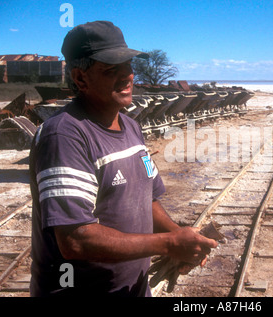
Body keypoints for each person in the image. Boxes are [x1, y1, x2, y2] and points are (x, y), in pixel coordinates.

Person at [29, 20, 217, 297]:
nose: (128, 76)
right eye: (110, 70)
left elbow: (147, 199)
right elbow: (75, 240)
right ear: (80, 78)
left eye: (129, 66)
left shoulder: (130, 127)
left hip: (133, 287)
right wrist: (168, 244)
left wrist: (183, 241)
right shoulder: (65, 136)